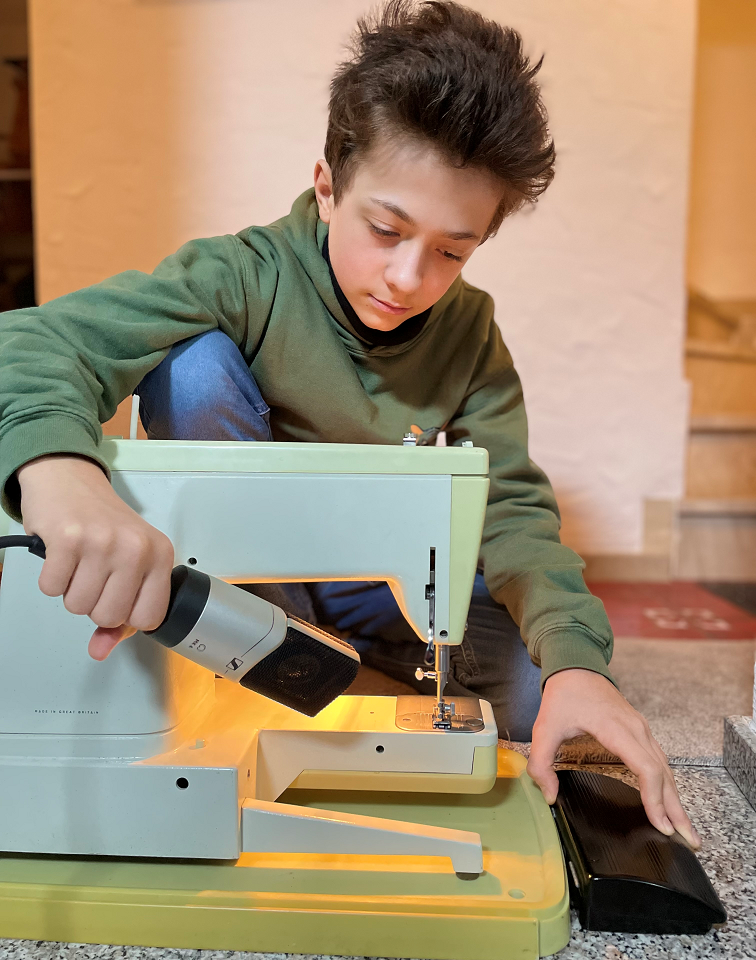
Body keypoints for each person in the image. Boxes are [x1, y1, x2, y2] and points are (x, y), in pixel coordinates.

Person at [0, 0, 699, 847]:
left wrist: (579, 665)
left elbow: (512, 506)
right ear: (329, 186)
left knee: (532, 692)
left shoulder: (469, 331)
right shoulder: (241, 274)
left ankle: (333, 659)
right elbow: (31, 342)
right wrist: (61, 475)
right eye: (386, 229)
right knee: (194, 368)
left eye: (452, 251)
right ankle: (277, 644)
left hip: (379, 586)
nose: (408, 277)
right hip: (254, 573)